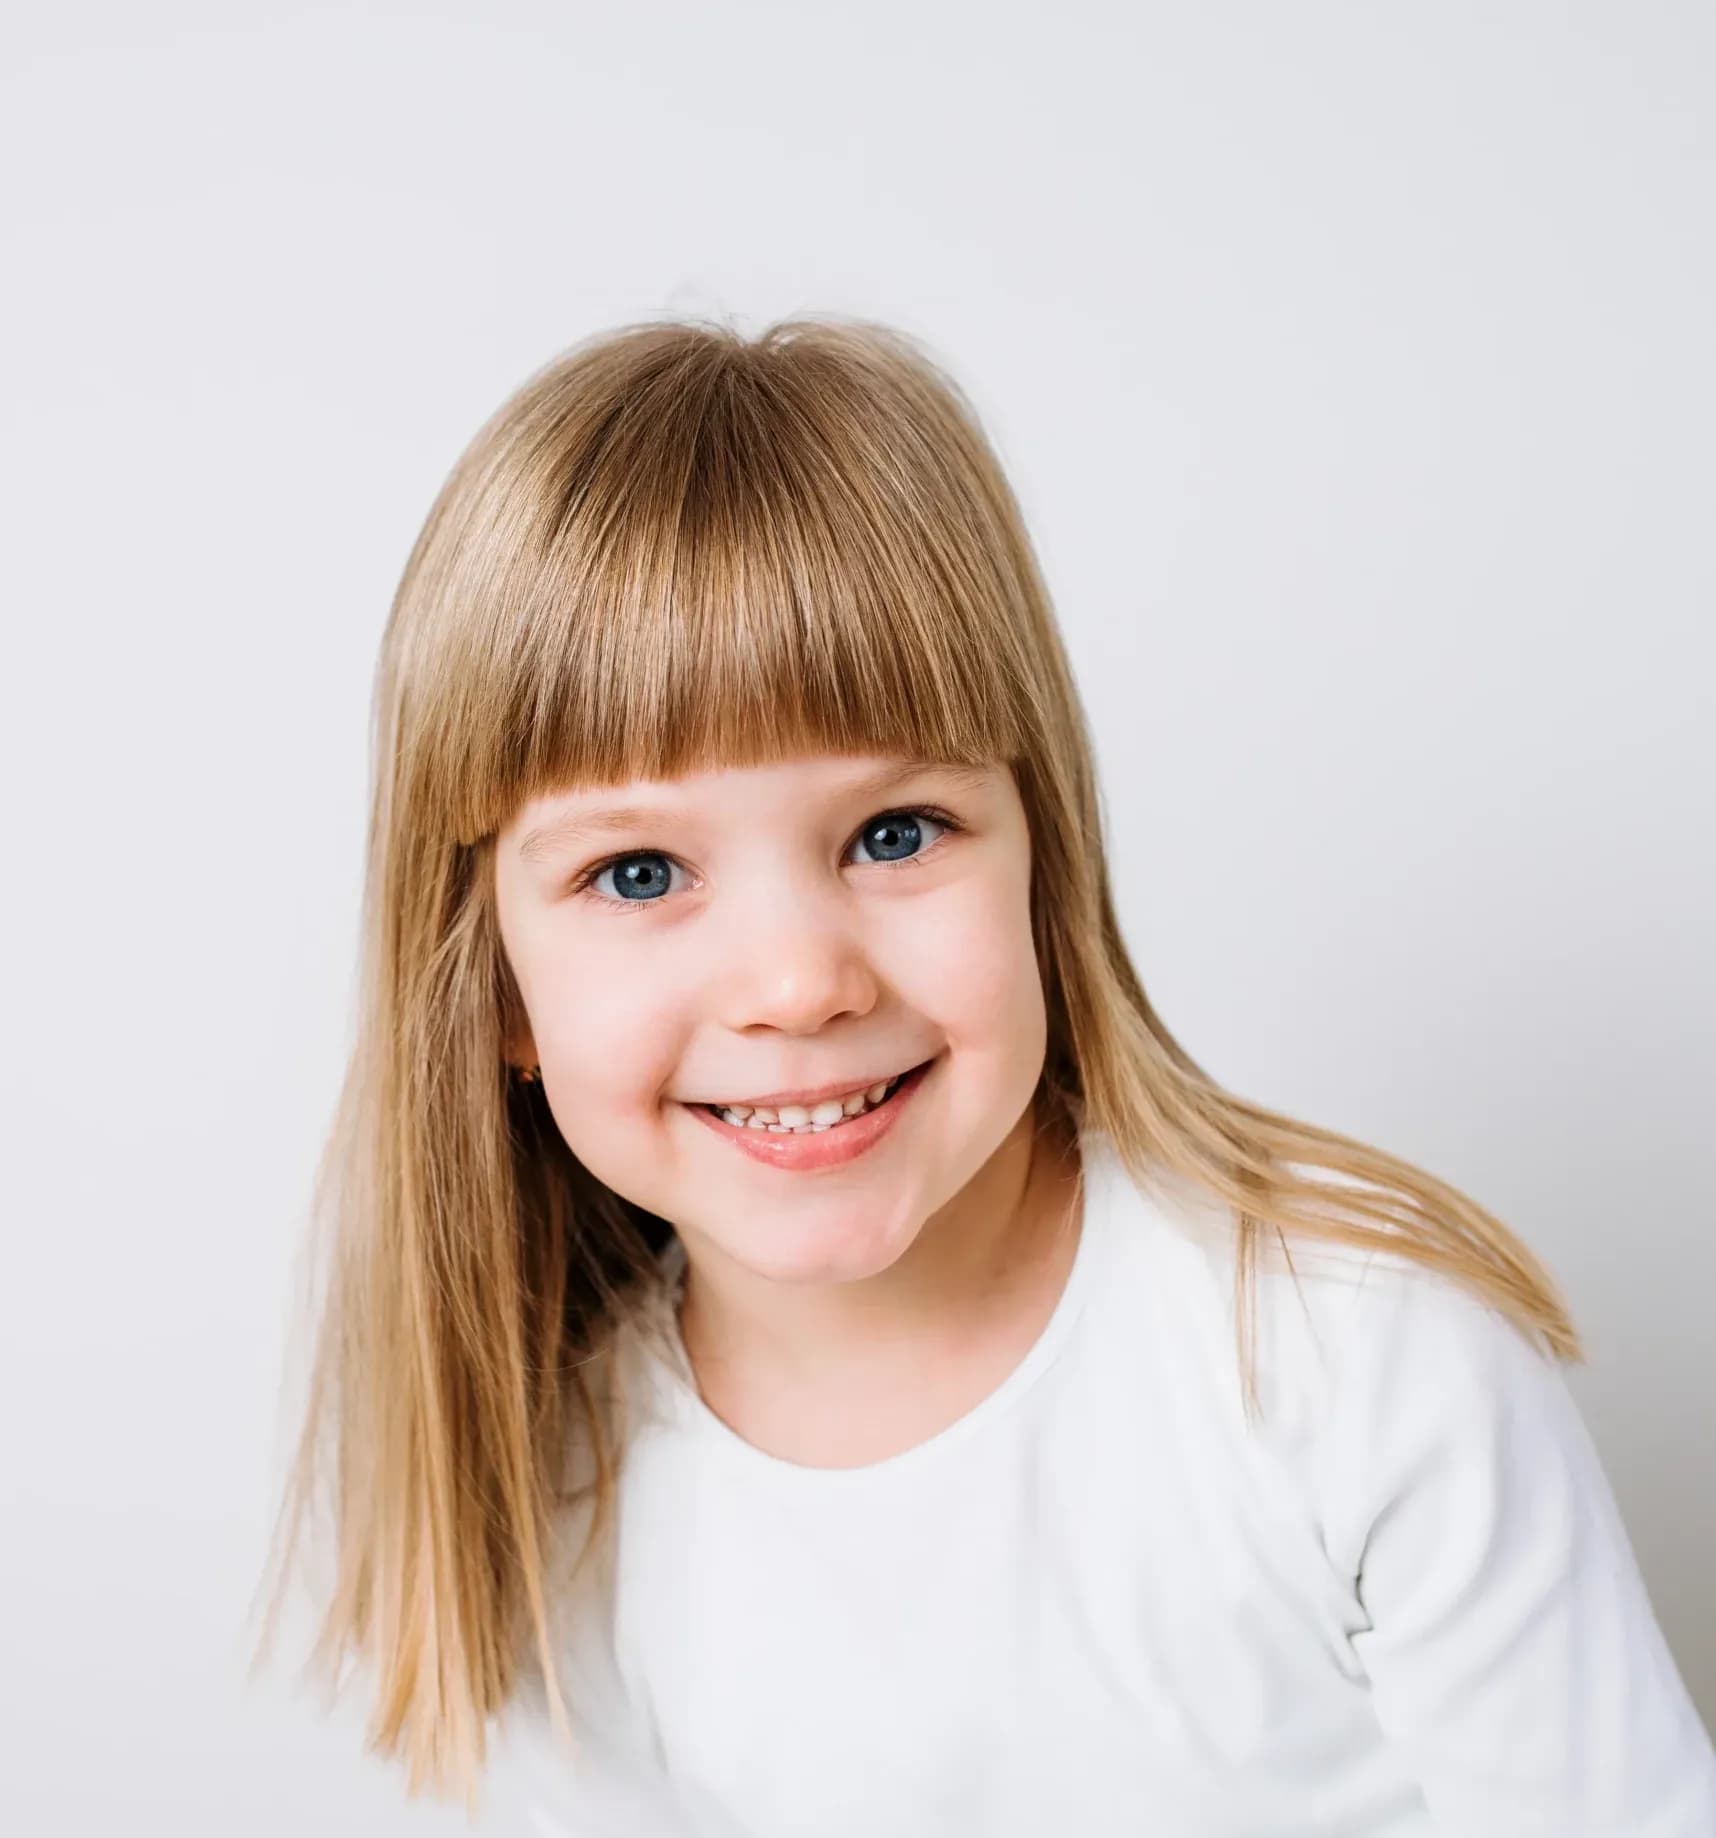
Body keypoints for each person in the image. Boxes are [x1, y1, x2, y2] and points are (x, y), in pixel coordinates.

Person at [251, 317, 1716, 1836]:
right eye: (638, 870)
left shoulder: (1357, 1366)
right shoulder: (562, 1500)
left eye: (895, 834)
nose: (799, 980)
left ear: (1041, 859)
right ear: (493, 987)